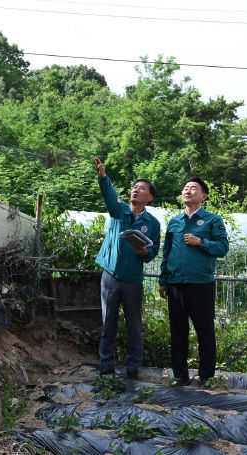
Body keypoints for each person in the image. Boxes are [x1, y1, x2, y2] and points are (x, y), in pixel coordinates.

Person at [93, 157, 161, 379]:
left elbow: (152, 252)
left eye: (141, 188)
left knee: (134, 326)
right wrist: (104, 177)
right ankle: (106, 368)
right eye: (134, 187)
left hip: (132, 279)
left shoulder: (152, 223)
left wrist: (143, 252)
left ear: (149, 197)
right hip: (110, 276)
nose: (136, 190)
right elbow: (110, 197)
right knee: (108, 324)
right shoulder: (119, 211)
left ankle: (133, 370)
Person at [159, 177, 229, 386]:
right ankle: (180, 376)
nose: (188, 191)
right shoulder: (174, 221)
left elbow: (222, 248)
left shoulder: (212, 220)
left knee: (204, 331)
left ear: (204, 196)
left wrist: (201, 242)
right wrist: (164, 280)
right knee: (178, 332)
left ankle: (206, 376)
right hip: (176, 284)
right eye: (185, 188)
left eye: (193, 188)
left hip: (201, 285)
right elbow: (167, 253)